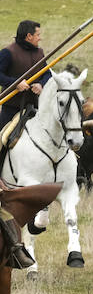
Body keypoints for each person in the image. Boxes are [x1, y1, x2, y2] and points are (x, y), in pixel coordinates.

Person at [0, 20, 50, 269]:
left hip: (35, 109)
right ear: (28, 36)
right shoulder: (7, 53)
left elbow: (48, 72)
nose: (40, 38)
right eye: (38, 34)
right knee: (2, 139)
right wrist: (13, 82)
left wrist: (42, 83)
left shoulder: (40, 53)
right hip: (11, 110)